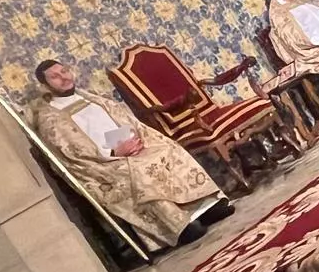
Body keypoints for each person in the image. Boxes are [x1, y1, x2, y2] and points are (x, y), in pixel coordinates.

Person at [29, 60, 231, 251]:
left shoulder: (90, 97)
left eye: (64, 71)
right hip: (102, 164)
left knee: (166, 149)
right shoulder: (50, 118)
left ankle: (207, 207)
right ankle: (180, 228)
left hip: (126, 146)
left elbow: (121, 119)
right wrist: (113, 152)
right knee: (140, 171)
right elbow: (71, 152)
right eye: (54, 77)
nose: (63, 77)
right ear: (45, 85)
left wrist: (134, 139)